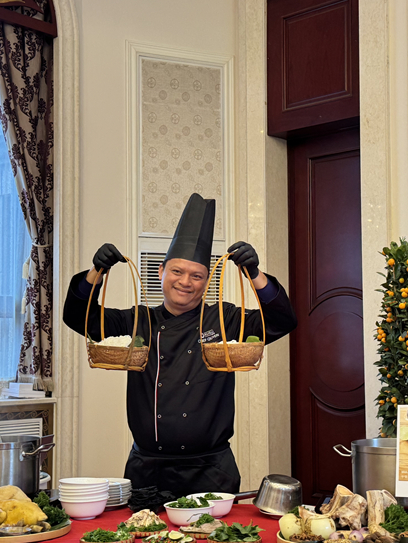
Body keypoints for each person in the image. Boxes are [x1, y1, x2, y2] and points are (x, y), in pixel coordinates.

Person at [63, 193, 297, 497]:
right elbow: (80, 318)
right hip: (147, 468)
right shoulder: (140, 320)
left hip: (210, 470)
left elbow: (282, 322)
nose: (185, 281)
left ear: (206, 281)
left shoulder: (223, 318)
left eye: (196, 275)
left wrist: (254, 274)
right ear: (161, 272)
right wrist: (97, 272)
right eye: (177, 271)